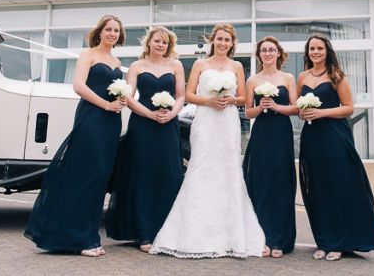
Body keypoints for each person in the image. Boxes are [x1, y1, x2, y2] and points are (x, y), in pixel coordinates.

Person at [150, 23, 265, 258]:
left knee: (228, 171)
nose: (223, 43)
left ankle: (231, 235)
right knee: (201, 168)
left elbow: (243, 98)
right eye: (220, 39)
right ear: (213, 40)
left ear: (232, 43)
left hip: (227, 122)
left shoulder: (236, 66)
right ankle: (192, 235)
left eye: (227, 40)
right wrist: (209, 101)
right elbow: (189, 94)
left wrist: (230, 100)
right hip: (206, 120)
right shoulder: (201, 64)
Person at [24, 15, 126, 257]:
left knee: (101, 177)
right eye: (109, 29)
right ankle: (80, 239)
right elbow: (79, 86)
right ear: (100, 32)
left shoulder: (116, 59)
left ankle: (88, 235)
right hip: (92, 118)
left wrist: (120, 100)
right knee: (86, 175)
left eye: (116, 31)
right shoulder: (87, 55)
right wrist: (106, 105)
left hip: (112, 122)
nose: (112, 33)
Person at [298, 34, 374, 262]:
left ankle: (340, 243)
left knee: (338, 187)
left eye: (320, 49)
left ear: (327, 52)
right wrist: (303, 112)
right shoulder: (302, 76)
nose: (316, 52)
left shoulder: (336, 75)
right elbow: (299, 106)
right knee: (318, 189)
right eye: (312, 48)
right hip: (312, 137)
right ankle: (323, 242)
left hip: (334, 137)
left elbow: (349, 108)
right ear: (308, 52)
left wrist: (322, 112)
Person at [105, 26, 185, 253]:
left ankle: (168, 231)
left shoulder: (176, 65)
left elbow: (181, 96)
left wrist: (172, 113)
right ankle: (143, 233)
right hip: (142, 124)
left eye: (165, 43)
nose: (161, 45)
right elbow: (128, 96)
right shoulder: (137, 66)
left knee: (169, 174)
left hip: (168, 124)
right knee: (143, 175)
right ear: (149, 42)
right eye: (157, 41)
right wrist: (149, 114)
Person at [242, 36, 298, 258]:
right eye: (264, 50)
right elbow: (247, 112)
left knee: (281, 184)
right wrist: (261, 107)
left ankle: (281, 241)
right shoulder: (252, 81)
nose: (267, 53)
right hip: (262, 134)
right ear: (259, 55)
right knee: (262, 185)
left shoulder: (288, 78)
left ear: (278, 54)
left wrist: (276, 106)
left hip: (281, 133)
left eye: (271, 50)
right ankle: (263, 238)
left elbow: (295, 108)